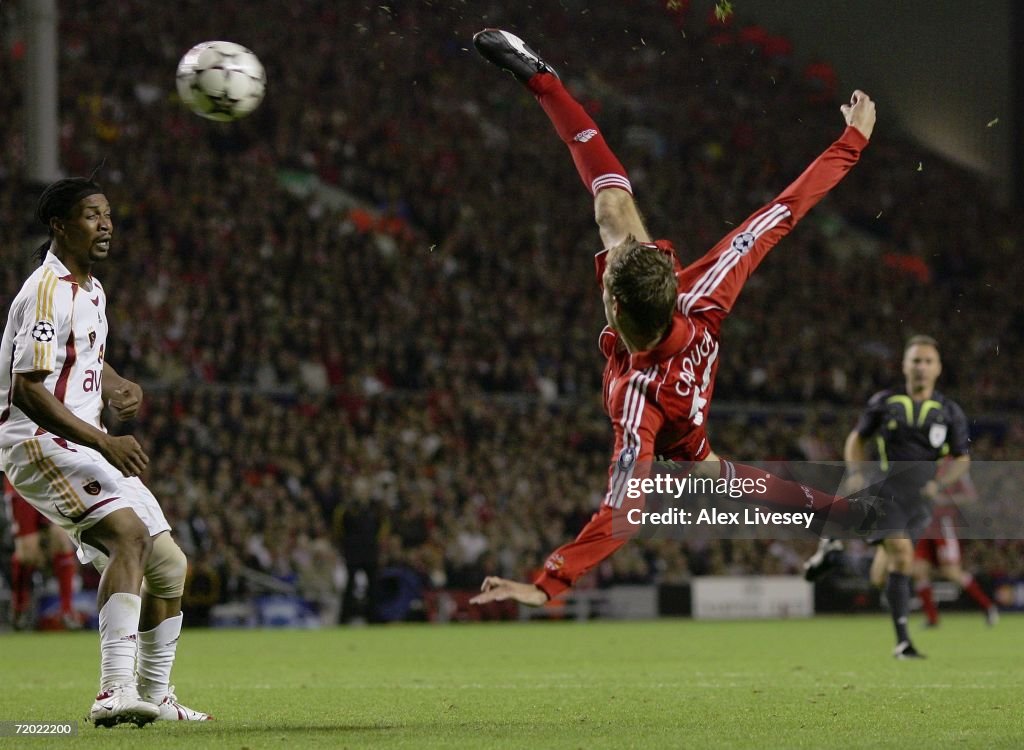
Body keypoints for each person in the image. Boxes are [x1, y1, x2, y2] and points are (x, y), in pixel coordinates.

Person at [467, 31, 876, 608]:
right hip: (676, 352)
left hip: (678, 418)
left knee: (716, 473)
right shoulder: (702, 291)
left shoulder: (636, 401)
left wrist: (548, 582)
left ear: (614, 304)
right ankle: (542, 79)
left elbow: (626, 508)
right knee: (612, 210)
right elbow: (781, 211)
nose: (607, 264)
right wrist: (852, 139)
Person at [0, 176, 210, 725]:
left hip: (81, 443)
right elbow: (28, 388)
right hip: (38, 442)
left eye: (108, 214)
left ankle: (155, 696)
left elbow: (84, 357)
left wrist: (115, 384)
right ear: (60, 225)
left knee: (169, 568)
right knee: (128, 535)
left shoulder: (91, 289)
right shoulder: (47, 289)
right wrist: (104, 440)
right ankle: (112, 691)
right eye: (93, 215)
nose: (106, 225)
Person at [804, 336, 973, 658]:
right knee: (902, 553)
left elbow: (962, 458)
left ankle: (835, 556)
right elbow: (857, 438)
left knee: (881, 575)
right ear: (904, 366)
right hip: (887, 492)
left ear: (938, 369)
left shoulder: (950, 411)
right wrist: (854, 471)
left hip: (921, 501)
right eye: (916, 361)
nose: (921, 367)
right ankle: (903, 643)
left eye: (927, 361)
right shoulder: (885, 402)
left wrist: (940, 484)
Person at [865, 459, 997, 627]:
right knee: (919, 570)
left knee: (951, 572)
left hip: (943, 525)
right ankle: (932, 618)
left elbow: (970, 496)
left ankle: (988, 606)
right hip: (921, 526)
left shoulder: (953, 466)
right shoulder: (917, 463)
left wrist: (942, 499)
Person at [4, 475, 81, 630]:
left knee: (61, 540)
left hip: (51, 480)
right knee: (28, 553)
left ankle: (66, 610)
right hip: (21, 481)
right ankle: (19, 605)